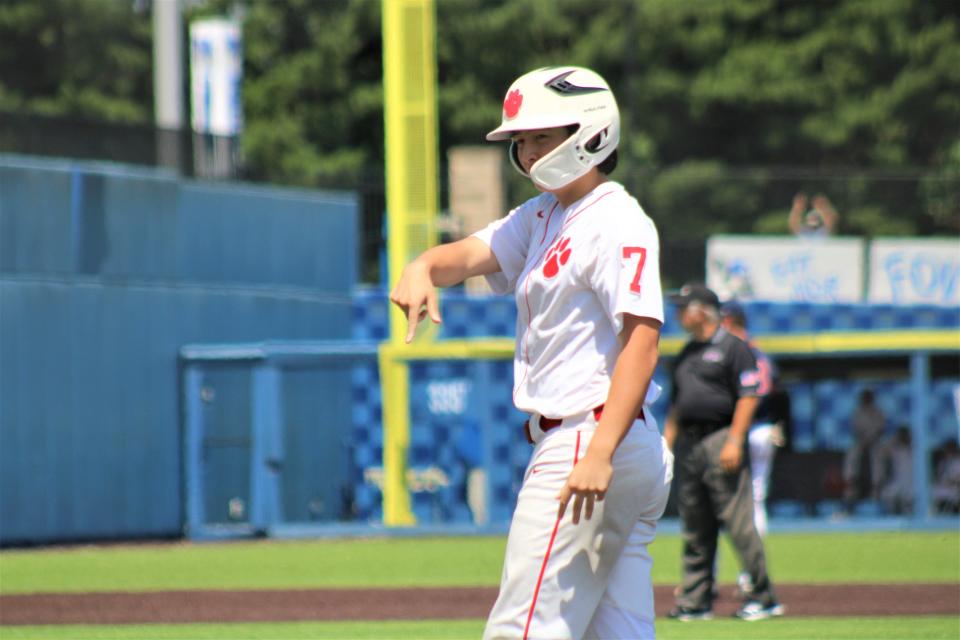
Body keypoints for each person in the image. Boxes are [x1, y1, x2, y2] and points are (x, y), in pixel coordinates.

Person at [390, 66, 673, 639]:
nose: (527, 150)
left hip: (590, 440)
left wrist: (598, 453)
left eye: (542, 136)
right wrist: (421, 266)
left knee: (522, 631)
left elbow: (642, 340)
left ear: (591, 131)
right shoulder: (543, 215)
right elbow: (469, 255)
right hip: (602, 443)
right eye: (521, 140)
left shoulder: (616, 220)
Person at [662, 283, 783, 622]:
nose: (678, 313)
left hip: (720, 437)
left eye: (683, 307)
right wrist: (666, 444)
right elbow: (677, 404)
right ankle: (696, 600)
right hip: (690, 443)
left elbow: (748, 395)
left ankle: (763, 596)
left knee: (739, 523)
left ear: (702, 311)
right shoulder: (686, 352)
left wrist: (734, 439)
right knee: (695, 524)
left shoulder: (733, 348)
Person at [719, 300, 788, 594]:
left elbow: (754, 395)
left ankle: (747, 575)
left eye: (722, 319)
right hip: (762, 428)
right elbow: (780, 392)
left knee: (731, 502)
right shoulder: (759, 351)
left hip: (746, 430)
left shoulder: (737, 350)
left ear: (732, 321)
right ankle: (750, 575)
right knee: (754, 500)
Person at [842, 388, 887, 514]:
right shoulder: (857, 412)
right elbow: (855, 430)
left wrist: (871, 440)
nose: (866, 399)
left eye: (869, 397)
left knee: (877, 457)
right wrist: (863, 440)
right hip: (860, 442)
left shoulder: (878, 412)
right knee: (852, 455)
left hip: (875, 442)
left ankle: (876, 490)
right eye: (865, 397)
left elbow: (881, 430)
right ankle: (850, 487)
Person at [875, 426, 913, 515]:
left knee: (908, 496)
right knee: (886, 493)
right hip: (897, 482)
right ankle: (892, 515)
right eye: (901, 435)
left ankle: (908, 514)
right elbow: (881, 449)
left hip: (912, 483)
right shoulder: (895, 450)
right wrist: (894, 439)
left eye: (905, 435)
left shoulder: (915, 450)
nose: (903, 438)